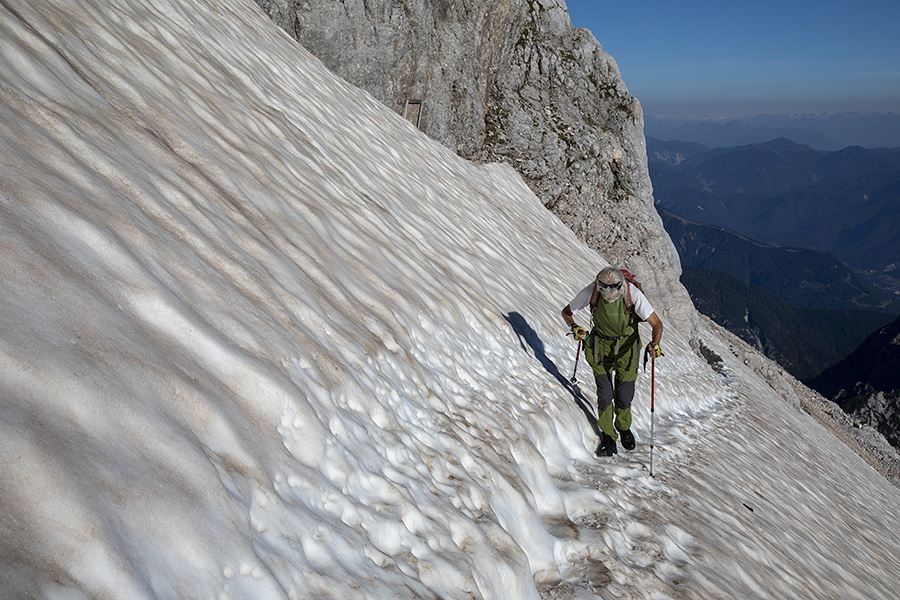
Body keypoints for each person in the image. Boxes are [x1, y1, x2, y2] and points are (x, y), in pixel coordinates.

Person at [561, 267, 664, 456]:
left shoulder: (632, 294)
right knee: (605, 394)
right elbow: (567, 312)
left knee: (624, 394)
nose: (609, 297)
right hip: (600, 347)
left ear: (620, 287)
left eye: (613, 293)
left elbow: (656, 323)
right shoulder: (592, 291)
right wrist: (574, 327)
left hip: (627, 348)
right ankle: (609, 436)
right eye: (604, 293)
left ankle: (624, 427)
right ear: (599, 287)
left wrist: (655, 344)